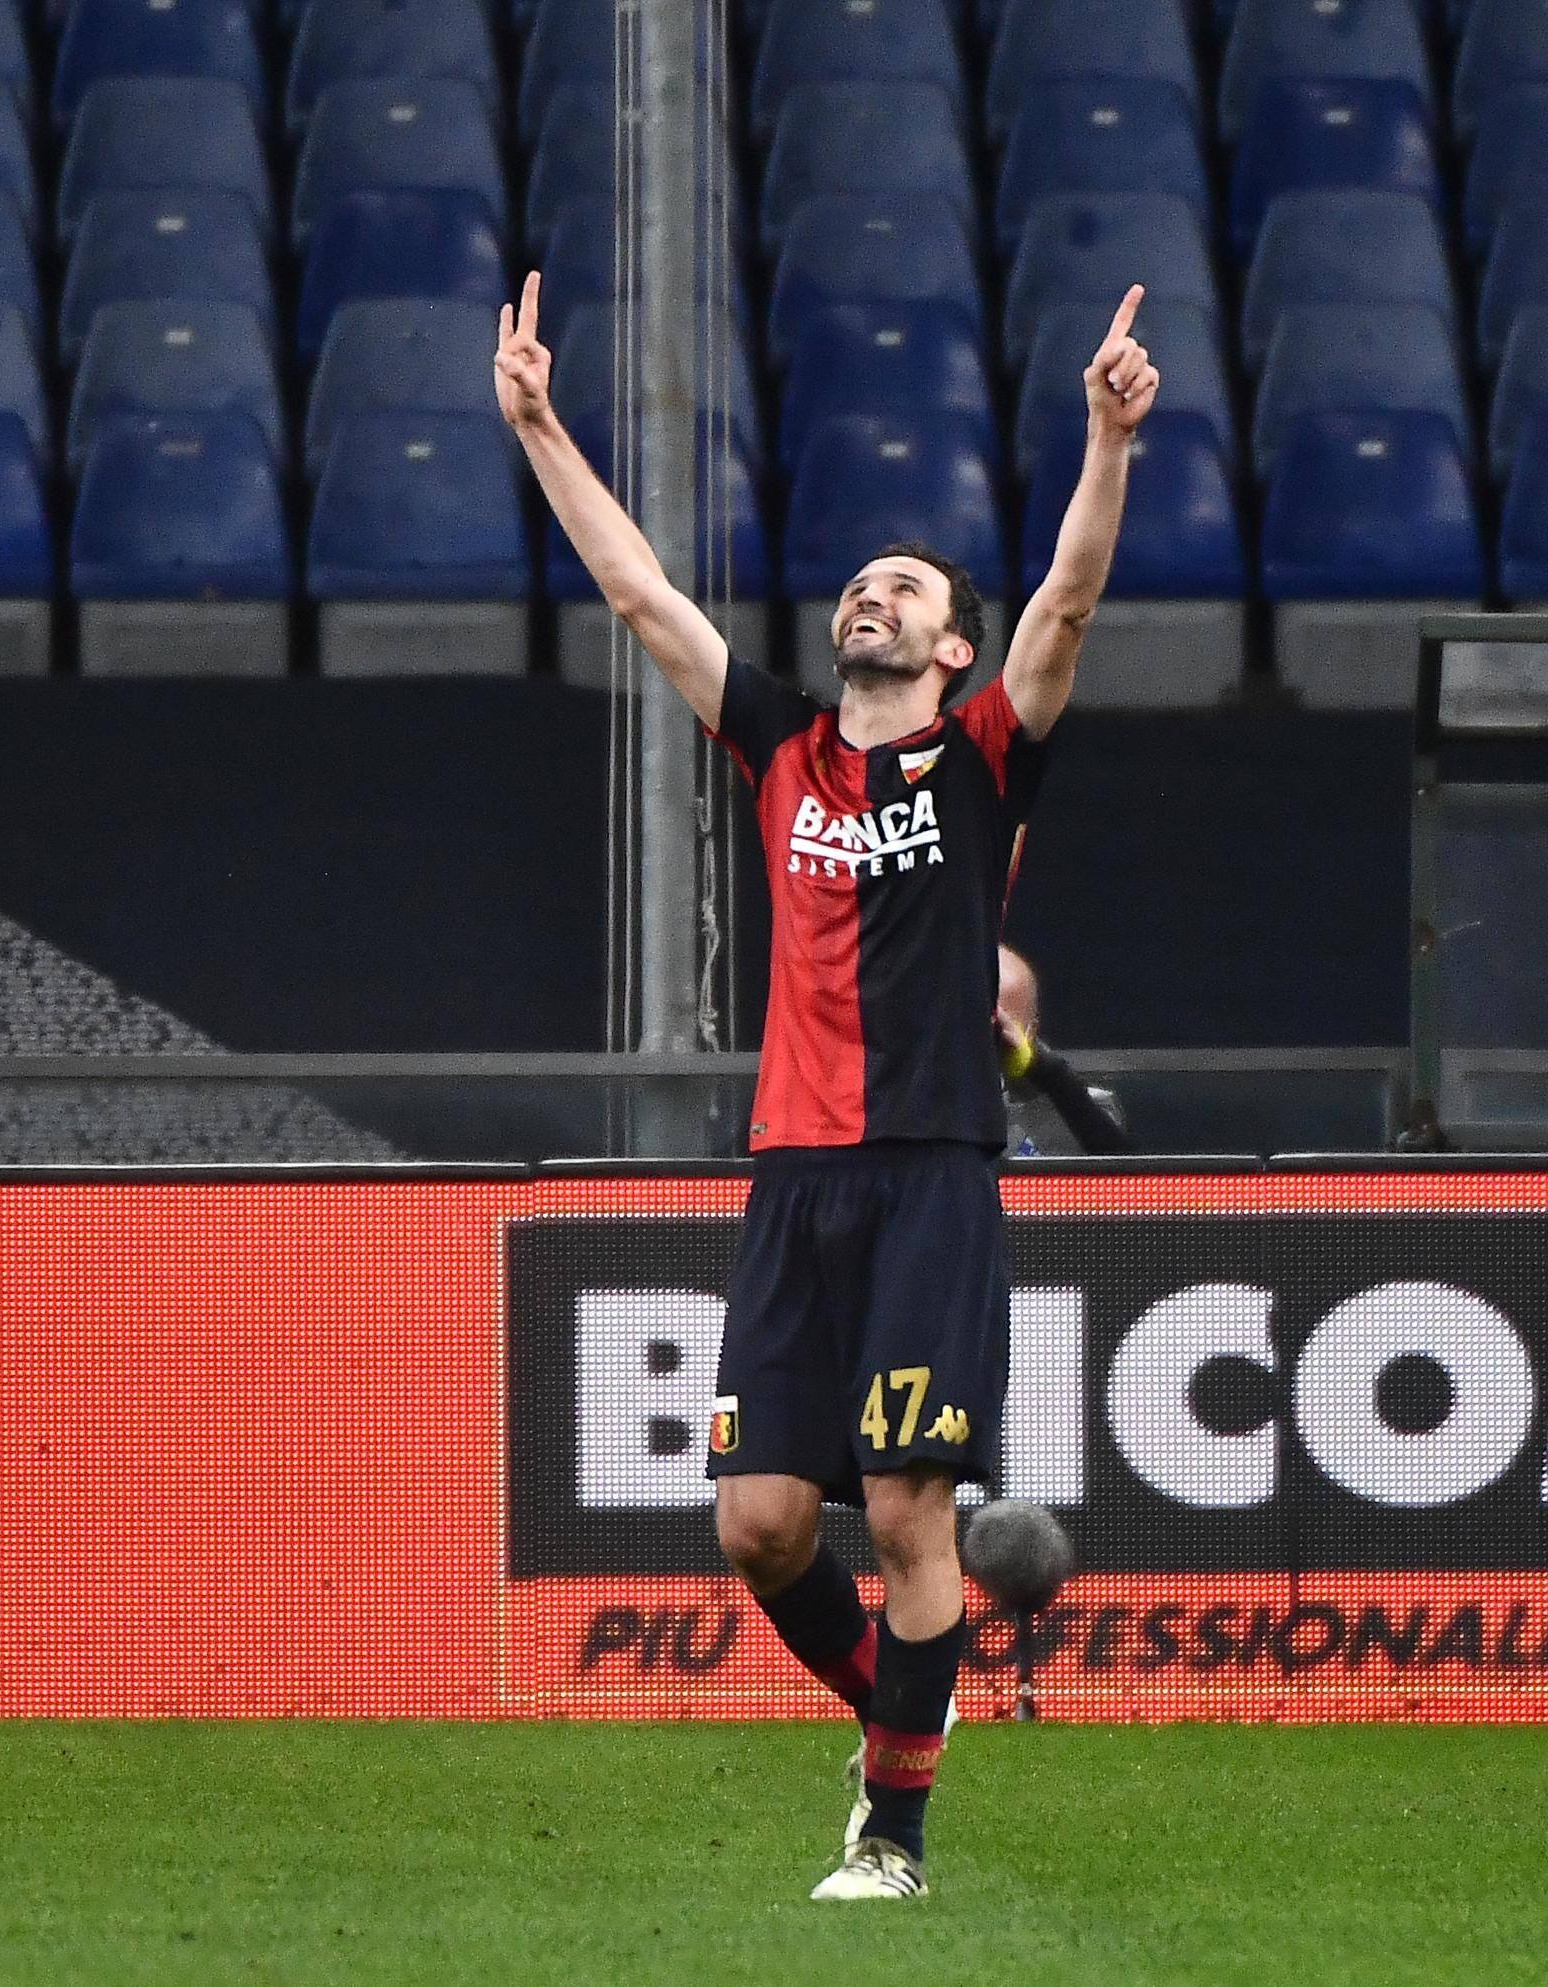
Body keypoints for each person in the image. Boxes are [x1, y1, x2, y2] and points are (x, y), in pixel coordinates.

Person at [496, 273, 1159, 1899]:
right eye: (860, 582)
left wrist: (1106, 439)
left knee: (912, 1520)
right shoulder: (786, 746)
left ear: (950, 646)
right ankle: (899, 1723)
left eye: (904, 589)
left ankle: (895, 1835)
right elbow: (643, 596)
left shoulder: (987, 758)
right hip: (792, 1174)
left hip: (929, 1169)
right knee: (759, 1529)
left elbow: (1068, 606)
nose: (869, 595)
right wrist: (540, 430)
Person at [996, 945, 1135, 1156]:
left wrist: (1042, 1069)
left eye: (1003, 1024)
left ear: (1030, 1031)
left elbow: (1122, 1176)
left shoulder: (1078, 1105)